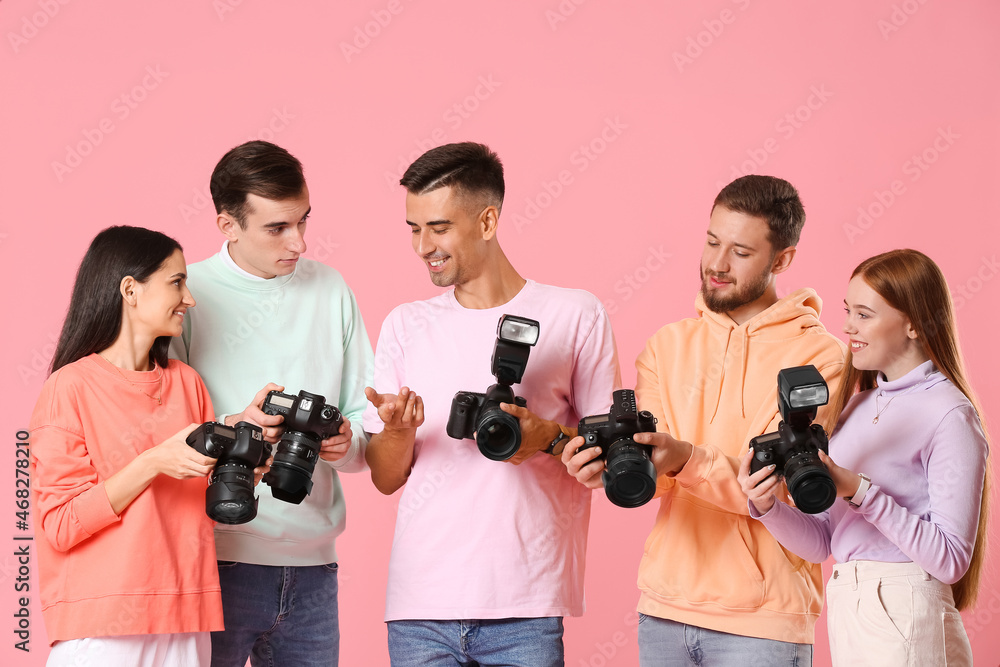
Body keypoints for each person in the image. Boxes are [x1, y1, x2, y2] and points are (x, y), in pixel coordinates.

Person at [564, 175, 847, 665]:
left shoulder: (822, 359)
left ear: (781, 260)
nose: (716, 264)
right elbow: (656, 480)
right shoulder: (666, 346)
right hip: (663, 611)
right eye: (712, 242)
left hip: (763, 621)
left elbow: (779, 487)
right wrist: (607, 469)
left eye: (740, 251)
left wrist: (686, 459)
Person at [363, 141, 621, 666]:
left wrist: (543, 438)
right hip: (420, 607)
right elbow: (386, 478)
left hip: (525, 606)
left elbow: (611, 464)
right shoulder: (405, 324)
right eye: (413, 229)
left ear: (486, 221)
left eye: (438, 228)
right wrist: (396, 433)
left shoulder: (575, 314)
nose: (422, 246)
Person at [170, 140, 374, 667]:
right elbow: (164, 435)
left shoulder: (331, 289)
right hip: (217, 559)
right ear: (227, 225)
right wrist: (240, 428)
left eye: (304, 221)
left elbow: (362, 422)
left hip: (314, 567)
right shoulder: (186, 295)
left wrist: (345, 442)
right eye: (277, 228)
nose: (299, 242)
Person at [738, 249, 989, 666]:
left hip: (907, 608)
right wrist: (766, 506)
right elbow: (824, 543)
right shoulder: (856, 407)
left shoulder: (949, 413)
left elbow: (949, 560)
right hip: (850, 607)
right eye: (847, 310)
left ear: (912, 323)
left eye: (864, 314)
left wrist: (858, 490)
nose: (848, 326)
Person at [31, 226, 228, 666]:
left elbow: (200, 514)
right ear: (130, 289)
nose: (190, 298)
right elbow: (60, 524)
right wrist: (153, 462)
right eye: (177, 282)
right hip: (104, 629)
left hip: (186, 620)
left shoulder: (186, 383)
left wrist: (241, 465)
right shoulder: (70, 388)